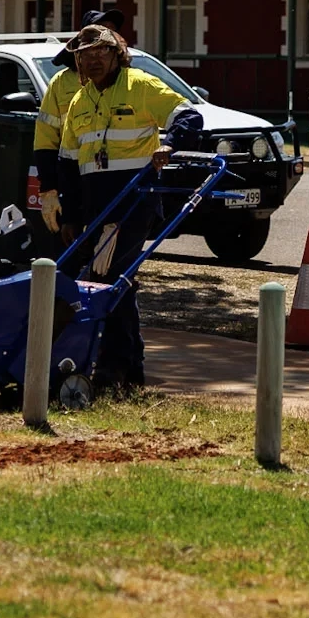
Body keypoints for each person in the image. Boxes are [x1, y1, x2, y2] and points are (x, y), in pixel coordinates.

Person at [60, 22, 187, 386]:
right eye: (84, 55)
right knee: (116, 281)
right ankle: (131, 368)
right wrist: (69, 215)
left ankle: (113, 366)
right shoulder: (78, 102)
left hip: (135, 202)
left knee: (110, 279)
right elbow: (67, 163)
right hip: (94, 208)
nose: (93, 60)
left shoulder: (142, 86)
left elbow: (186, 114)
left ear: (117, 55)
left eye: (101, 52)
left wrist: (169, 143)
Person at [33, 9, 127, 246]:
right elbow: (45, 142)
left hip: (114, 184)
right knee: (69, 256)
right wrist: (49, 190)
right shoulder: (61, 83)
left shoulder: (129, 82)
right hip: (71, 183)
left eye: (111, 33)